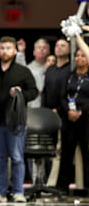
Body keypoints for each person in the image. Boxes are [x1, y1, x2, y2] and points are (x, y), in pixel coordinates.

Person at [0, 36, 38, 203]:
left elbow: (34, 91)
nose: (4, 51)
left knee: (17, 157)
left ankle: (18, 191)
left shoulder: (23, 71)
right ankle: (0, 192)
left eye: (8, 48)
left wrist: (21, 92)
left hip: (16, 120)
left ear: (14, 51)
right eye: (2, 48)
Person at [56, 36, 89, 193]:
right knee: (66, 153)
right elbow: (62, 96)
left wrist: (81, 111)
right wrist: (69, 111)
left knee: (87, 152)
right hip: (69, 119)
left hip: (86, 119)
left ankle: (87, 187)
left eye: (83, 55)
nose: (79, 58)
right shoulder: (69, 76)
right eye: (77, 55)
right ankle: (62, 186)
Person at [43, 38, 71, 112]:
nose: (59, 47)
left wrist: (59, 109)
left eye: (63, 46)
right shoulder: (50, 69)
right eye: (57, 45)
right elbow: (45, 91)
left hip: (66, 112)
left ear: (69, 49)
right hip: (48, 112)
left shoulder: (72, 69)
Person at [25, 38, 50, 109]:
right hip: (32, 105)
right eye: (39, 47)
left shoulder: (53, 68)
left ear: (48, 51)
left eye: (44, 48)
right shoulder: (28, 68)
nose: (42, 49)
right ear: (34, 52)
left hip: (48, 106)